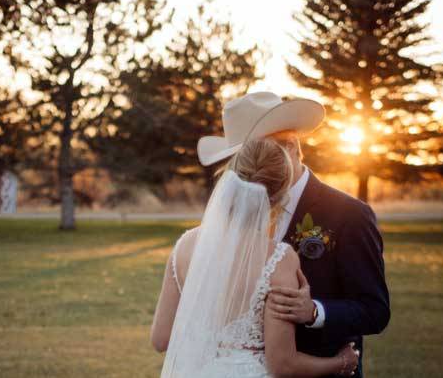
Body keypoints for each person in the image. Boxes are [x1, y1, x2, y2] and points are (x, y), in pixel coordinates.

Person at [151, 91, 389, 377]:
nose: (245, 168)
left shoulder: (349, 215)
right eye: (240, 158)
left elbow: (375, 310)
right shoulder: (218, 232)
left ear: (290, 146)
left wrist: (315, 311)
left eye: (253, 154)